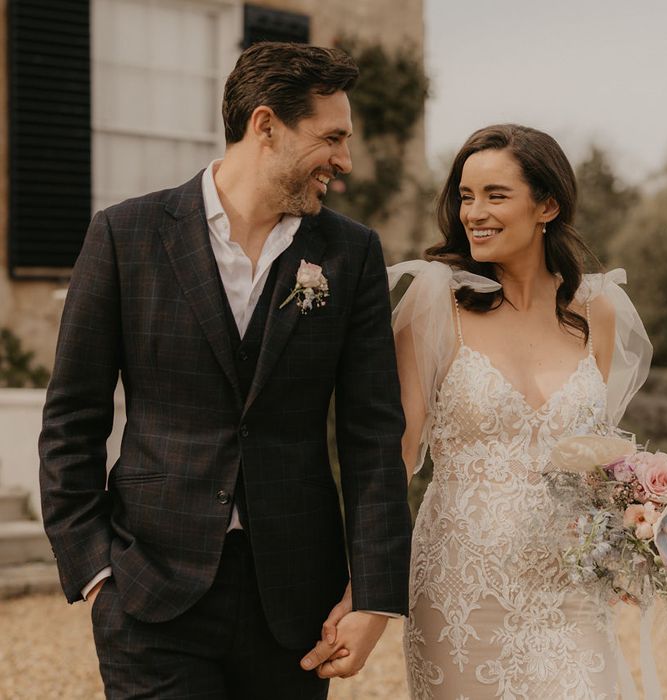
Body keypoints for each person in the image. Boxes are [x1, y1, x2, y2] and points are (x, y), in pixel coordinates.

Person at [38, 41, 412, 699]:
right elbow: (71, 418)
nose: (345, 162)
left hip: (294, 605)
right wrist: (96, 573)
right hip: (149, 591)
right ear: (265, 125)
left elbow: (373, 436)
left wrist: (373, 598)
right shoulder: (125, 236)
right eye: (332, 138)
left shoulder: (351, 254)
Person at [387, 124, 652, 698]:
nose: (473, 213)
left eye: (495, 195)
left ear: (547, 205)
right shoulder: (434, 304)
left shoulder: (595, 311)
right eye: (465, 195)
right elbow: (398, 457)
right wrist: (359, 582)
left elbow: (600, 462)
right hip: (459, 586)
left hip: (571, 591)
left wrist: (644, 529)